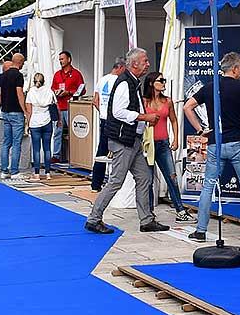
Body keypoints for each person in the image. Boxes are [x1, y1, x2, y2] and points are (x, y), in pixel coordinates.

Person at [84, 48, 170, 234]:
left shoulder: (132, 82)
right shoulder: (125, 83)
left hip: (132, 139)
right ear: (134, 64)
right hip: (124, 140)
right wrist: (144, 117)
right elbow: (118, 112)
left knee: (145, 177)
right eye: (145, 61)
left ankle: (146, 219)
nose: (148, 64)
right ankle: (94, 218)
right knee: (116, 180)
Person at [182, 51, 240, 242]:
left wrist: (201, 129)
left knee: (208, 186)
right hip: (239, 142)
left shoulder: (209, 87)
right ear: (234, 69)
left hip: (215, 143)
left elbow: (187, 107)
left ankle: (200, 230)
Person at [142, 70, 191, 222]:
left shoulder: (167, 101)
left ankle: (180, 210)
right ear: (151, 83)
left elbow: (174, 120)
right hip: (148, 144)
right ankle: (149, 213)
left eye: (163, 80)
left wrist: (175, 138)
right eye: (160, 80)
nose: (163, 83)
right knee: (148, 180)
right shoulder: (143, 101)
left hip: (163, 142)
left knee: (172, 176)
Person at [91, 57, 127, 190]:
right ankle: (116, 183)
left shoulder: (102, 79)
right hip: (116, 120)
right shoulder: (120, 81)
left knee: (102, 149)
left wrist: (103, 112)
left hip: (104, 119)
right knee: (119, 150)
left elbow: (95, 101)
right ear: (120, 68)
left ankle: (96, 183)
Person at [0, 53, 29, 179]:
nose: (23, 64)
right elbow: (19, 93)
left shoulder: (3, 75)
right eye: (23, 62)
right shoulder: (18, 76)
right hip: (16, 112)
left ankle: (4, 170)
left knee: (6, 142)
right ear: (19, 62)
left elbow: (1, 95)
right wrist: (25, 110)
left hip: (5, 112)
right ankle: (14, 171)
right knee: (16, 142)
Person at [50, 50, 85, 162]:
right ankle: (56, 155)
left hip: (71, 107)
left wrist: (68, 92)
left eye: (62, 59)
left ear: (69, 59)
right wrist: (56, 91)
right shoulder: (57, 74)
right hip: (59, 107)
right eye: (59, 59)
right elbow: (52, 88)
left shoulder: (76, 74)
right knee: (57, 132)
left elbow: (82, 90)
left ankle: (75, 156)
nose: (61, 61)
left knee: (73, 132)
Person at [27, 72, 56, 178]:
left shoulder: (31, 92)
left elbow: (29, 111)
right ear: (44, 81)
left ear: (34, 82)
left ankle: (37, 173)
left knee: (36, 149)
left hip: (35, 122)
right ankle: (48, 173)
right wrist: (60, 120)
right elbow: (55, 106)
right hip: (47, 121)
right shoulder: (49, 91)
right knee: (47, 148)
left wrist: (27, 124)